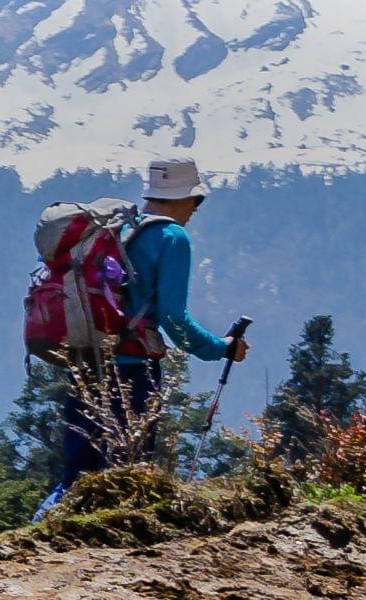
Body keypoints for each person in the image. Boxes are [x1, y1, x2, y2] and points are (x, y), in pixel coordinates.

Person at [45, 156, 246, 510]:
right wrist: (221, 348)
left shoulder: (115, 229)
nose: (196, 209)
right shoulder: (172, 237)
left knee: (77, 475)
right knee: (127, 470)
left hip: (88, 361)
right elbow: (174, 318)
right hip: (133, 371)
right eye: (195, 200)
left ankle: (40, 536)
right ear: (183, 197)